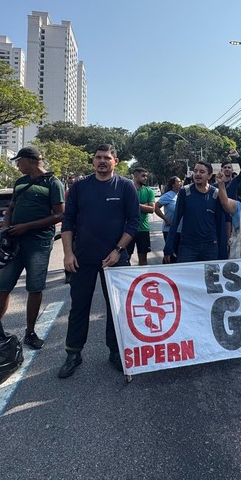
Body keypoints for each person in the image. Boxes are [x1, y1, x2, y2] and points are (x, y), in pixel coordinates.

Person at [59, 144, 140, 377]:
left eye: (107, 157)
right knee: (78, 306)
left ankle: (116, 352)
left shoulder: (125, 186)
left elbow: (133, 222)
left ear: (116, 161)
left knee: (116, 309)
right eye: (98, 157)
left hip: (116, 258)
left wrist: (118, 250)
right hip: (82, 258)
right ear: (93, 161)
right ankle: (73, 353)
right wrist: (68, 253)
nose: (102, 161)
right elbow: (68, 222)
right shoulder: (80, 187)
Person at [0, 147, 66, 351]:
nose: (17, 165)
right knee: (3, 286)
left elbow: (60, 215)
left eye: (19, 161)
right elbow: (11, 208)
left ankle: (30, 332)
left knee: (35, 288)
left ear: (29, 160)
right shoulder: (20, 182)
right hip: (14, 242)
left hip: (38, 243)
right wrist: (6, 228)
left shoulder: (53, 183)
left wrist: (27, 226)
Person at [164, 160, 227, 263]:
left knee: (210, 278)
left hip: (210, 247)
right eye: (195, 171)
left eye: (202, 172)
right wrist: (168, 247)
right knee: (185, 278)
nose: (197, 174)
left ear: (209, 176)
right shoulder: (185, 192)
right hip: (188, 246)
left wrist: (223, 251)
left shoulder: (215, 193)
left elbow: (220, 224)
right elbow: (175, 220)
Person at [127, 167, 156, 266]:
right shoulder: (127, 189)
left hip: (143, 229)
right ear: (135, 175)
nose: (145, 178)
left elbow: (152, 209)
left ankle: (143, 280)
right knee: (125, 258)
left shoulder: (149, 191)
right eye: (143, 176)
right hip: (127, 230)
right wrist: (144, 205)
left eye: (146, 176)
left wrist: (135, 205)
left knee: (143, 260)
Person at [154, 176, 183, 261]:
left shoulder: (180, 195)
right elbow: (156, 207)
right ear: (173, 185)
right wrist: (165, 219)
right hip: (170, 230)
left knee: (178, 254)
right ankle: (166, 270)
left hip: (180, 229)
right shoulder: (168, 195)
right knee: (170, 254)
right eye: (178, 182)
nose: (180, 183)